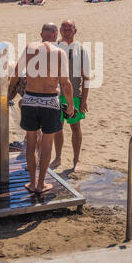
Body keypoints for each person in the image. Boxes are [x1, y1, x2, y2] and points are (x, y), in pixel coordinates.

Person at [8, 23, 74, 194]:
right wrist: (71, 105)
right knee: (46, 144)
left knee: (31, 144)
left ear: (41, 34)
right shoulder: (60, 53)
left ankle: (31, 182)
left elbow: (16, 73)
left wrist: (9, 92)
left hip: (29, 99)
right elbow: (65, 84)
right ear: (55, 35)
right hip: (50, 101)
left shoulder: (30, 48)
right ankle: (41, 183)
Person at [50, 20, 90, 173]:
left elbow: (86, 77)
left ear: (75, 30)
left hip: (74, 96)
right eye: (64, 28)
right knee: (57, 127)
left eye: (70, 29)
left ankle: (76, 159)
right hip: (55, 94)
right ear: (59, 30)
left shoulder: (81, 49)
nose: (67, 31)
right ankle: (58, 157)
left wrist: (84, 100)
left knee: (75, 127)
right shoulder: (54, 47)